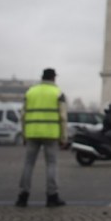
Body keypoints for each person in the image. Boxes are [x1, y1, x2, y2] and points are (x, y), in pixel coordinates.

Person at [15, 68, 68, 207]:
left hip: (32, 133)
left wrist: (24, 134)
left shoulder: (30, 92)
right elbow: (63, 117)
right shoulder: (58, 93)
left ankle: (23, 196)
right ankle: (52, 196)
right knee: (51, 165)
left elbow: (23, 115)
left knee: (28, 164)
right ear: (54, 78)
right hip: (51, 134)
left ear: (42, 77)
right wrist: (64, 137)